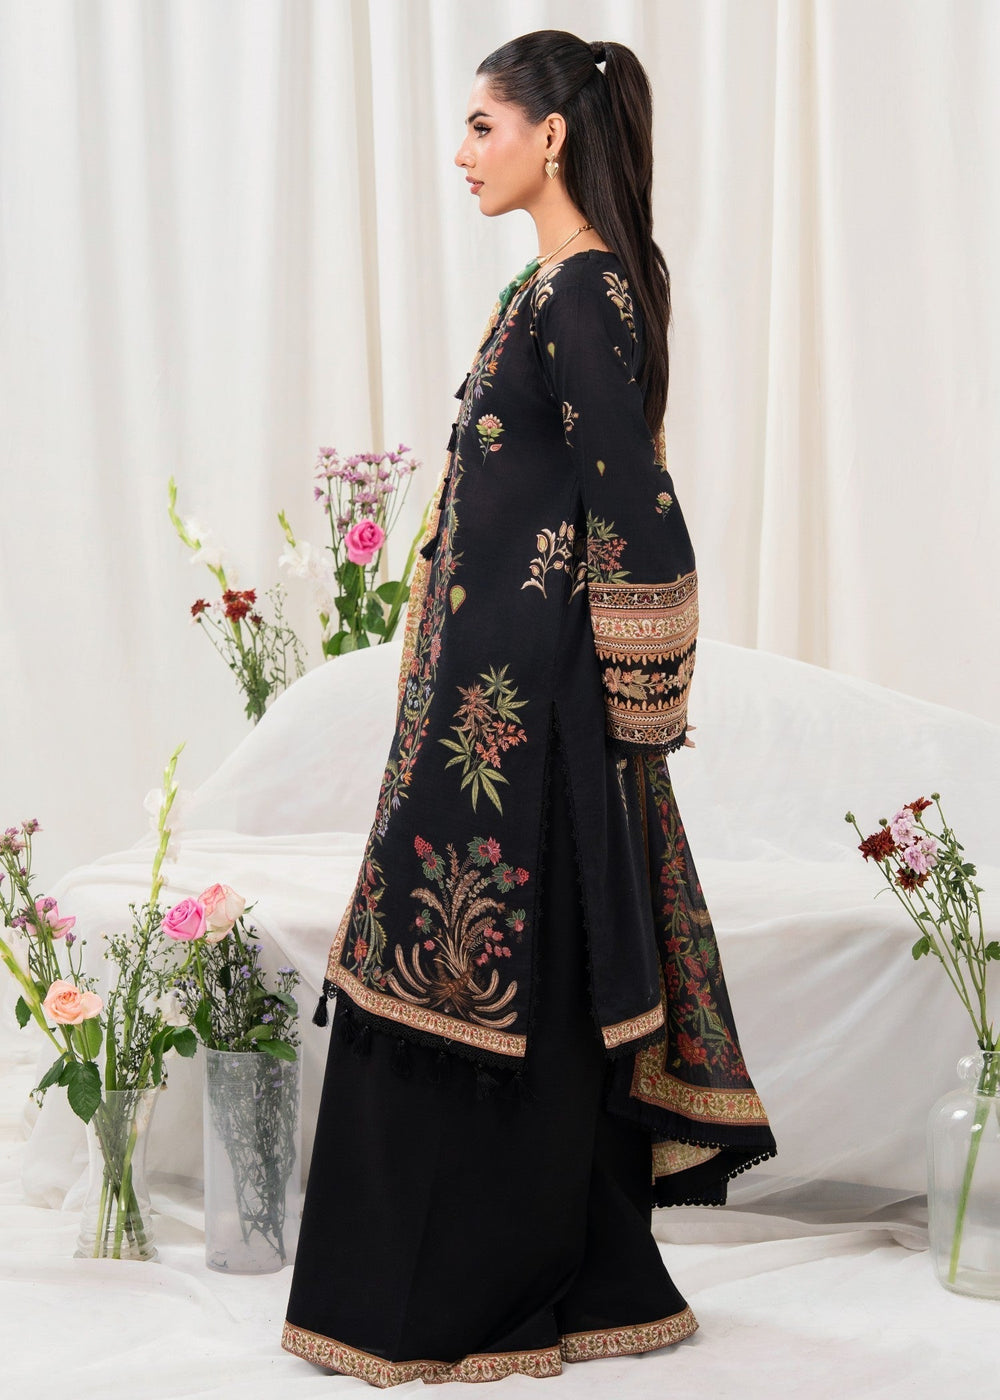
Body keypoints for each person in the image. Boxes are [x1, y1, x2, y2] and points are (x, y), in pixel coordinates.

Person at [282, 29, 777, 1387]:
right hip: (480, 710)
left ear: (550, 136)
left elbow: (633, 503)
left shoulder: (585, 289)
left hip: (529, 715)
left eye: (482, 126)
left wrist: (634, 702)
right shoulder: (545, 287)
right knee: (465, 966)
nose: (460, 153)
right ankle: (518, 1277)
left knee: (499, 979)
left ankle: (473, 1292)